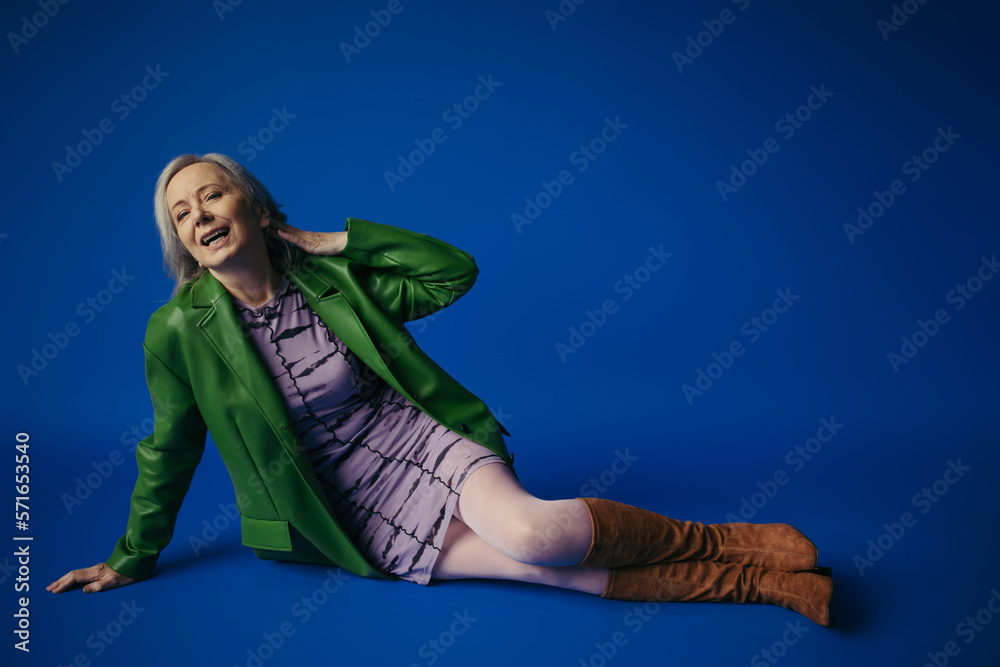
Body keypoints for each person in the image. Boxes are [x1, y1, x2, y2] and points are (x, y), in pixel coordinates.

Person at [48, 153, 834, 626]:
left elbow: (453, 271)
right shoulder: (178, 330)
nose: (198, 216)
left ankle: (736, 539)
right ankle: (754, 583)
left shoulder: (330, 277)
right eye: (181, 214)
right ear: (181, 240)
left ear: (251, 205)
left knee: (537, 536)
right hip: (344, 507)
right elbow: (170, 446)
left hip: (417, 440)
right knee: (535, 571)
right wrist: (132, 556)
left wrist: (335, 240)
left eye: (211, 196)